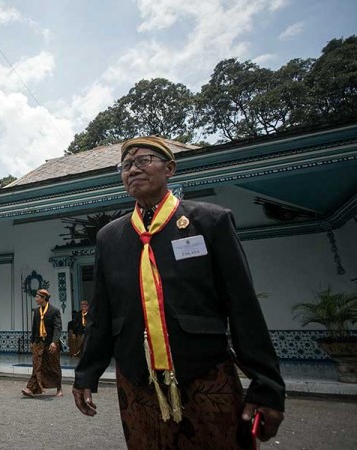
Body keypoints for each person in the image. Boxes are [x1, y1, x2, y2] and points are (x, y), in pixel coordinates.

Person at [73, 136, 285, 449]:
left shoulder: (210, 222)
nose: (133, 170)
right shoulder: (110, 237)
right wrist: (86, 373)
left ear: (170, 168)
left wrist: (267, 385)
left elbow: (243, 306)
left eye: (143, 161)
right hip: (136, 378)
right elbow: (102, 315)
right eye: (126, 165)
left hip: (204, 372)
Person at [22, 289, 63, 398]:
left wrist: (54, 342)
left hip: (51, 343)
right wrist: (32, 341)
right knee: (37, 365)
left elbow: (57, 328)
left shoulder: (54, 311)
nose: (36, 299)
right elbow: (34, 328)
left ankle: (59, 388)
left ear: (44, 298)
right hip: (39, 343)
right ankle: (30, 388)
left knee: (54, 366)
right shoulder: (36, 311)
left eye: (37, 297)